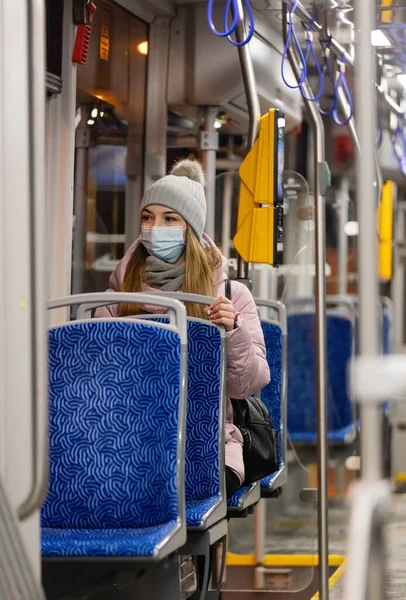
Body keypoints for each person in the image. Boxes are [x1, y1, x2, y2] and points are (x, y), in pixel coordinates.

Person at [95, 159, 270, 498]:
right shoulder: (117, 292)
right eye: (148, 217)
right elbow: (104, 378)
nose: (154, 227)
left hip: (206, 444)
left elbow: (247, 384)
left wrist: (233, 332)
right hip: (128, 439)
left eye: (170, 218)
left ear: (190, 228)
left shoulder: (230, 295)